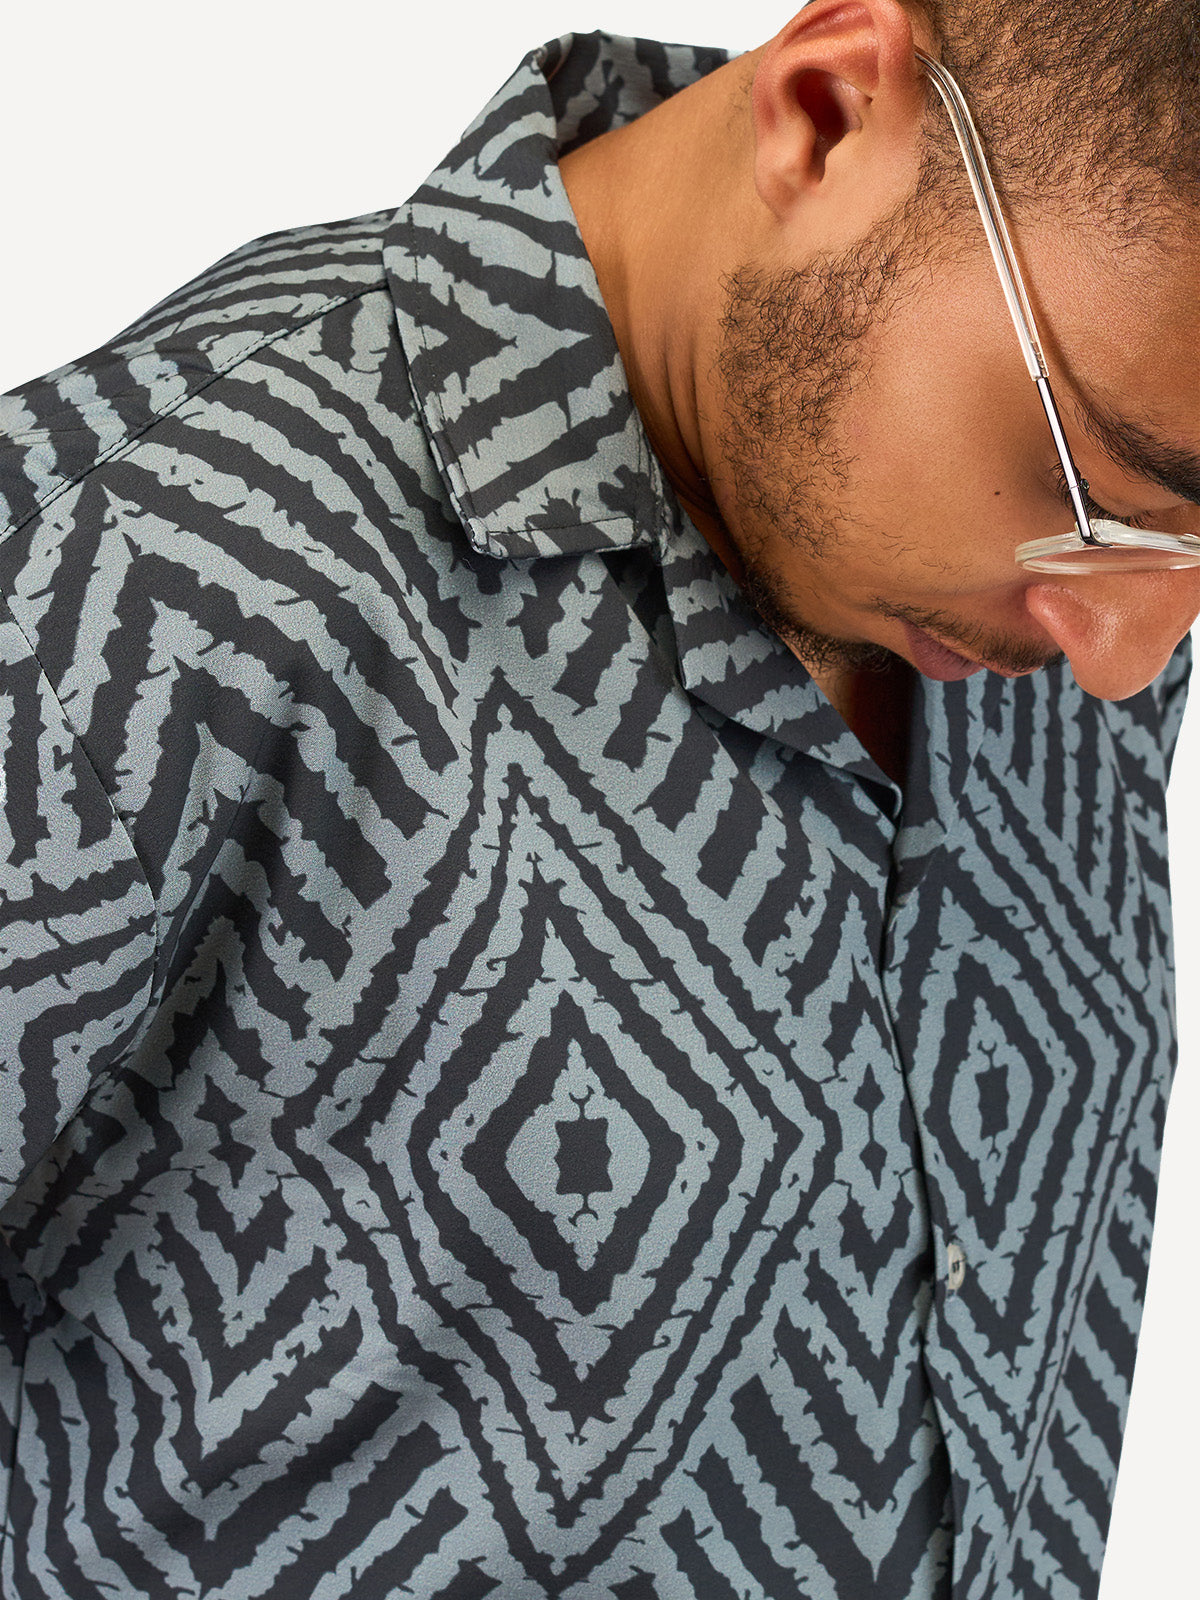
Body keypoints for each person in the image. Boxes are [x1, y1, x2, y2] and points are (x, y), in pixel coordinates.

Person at [0, 0, 1196, 1594]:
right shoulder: (137, 566)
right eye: (1091, 492)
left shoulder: (1051, 601)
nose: (1126, 662)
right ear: (828, 114)